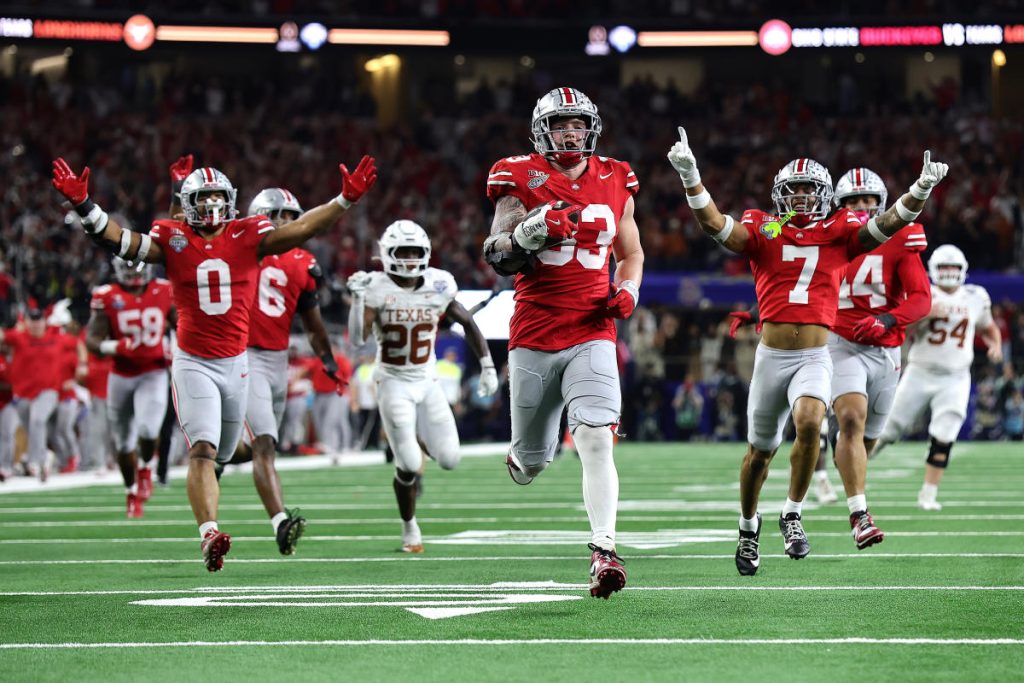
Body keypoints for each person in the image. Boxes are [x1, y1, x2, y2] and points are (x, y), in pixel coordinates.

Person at [51, 153, 376, 571]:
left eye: (217, 198)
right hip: (193, 362)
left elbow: (299, 229)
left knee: (225, 451)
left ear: (231, 200)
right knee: (203, 450)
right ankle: (209, 534)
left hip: (237, 363)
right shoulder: (173, 237)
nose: (210, 207)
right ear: (187, 204)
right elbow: (121, 240)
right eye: (202, 200)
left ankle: (245, 474)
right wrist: (84, 206)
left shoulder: (249, 233)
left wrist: (345, 200)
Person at [668, 127, 948, 575]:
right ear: (780, 195)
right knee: (759, 452)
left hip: (817, 355)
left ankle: (792, 514)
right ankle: (748, 525)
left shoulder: (840, 231)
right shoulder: (765, 226)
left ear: (822, 195)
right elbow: (716, 226)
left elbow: (887, 224)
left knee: (811, 423)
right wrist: (691, 178)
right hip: (771, 356)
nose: (800, 197)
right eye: (792, 190)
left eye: (807, 190)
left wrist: (919, 190)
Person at [481, 87, 643, 599]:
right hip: (533, 332)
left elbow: (631, 252)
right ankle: (523, 456)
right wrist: (530, 232)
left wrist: (629, 289)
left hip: (593, 328)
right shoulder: (518, 175)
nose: (571, 132)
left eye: (578, 123)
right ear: (541, 131)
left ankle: (604, 550)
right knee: (534, 460)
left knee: (596, 437)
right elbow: (497, 252)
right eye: (560, 124)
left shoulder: (617, 176)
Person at [348, 220, 498, 554]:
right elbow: (358, 339)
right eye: (404, 251)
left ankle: (413, 440)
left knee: (449, 459)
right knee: (411, 465)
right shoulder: (375, 287)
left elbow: (466, 322)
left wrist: (487, 364)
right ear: (388, 254)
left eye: (416, 251)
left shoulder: (438, 283)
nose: (411, 257)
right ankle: (409, 528)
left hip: (427, 380)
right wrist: (358, 303)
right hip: (393, 382)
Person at [826, 167, 932, 548]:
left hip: (886, 349)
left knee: (865, 440)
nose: (862, 207)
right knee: (852, 420)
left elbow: (921, 298)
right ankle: (860, 515)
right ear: (839, 206)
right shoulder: (830, 238)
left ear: (883, 203)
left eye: (869, 200)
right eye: (853, 201)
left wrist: (886, 318)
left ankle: (833, 457)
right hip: (839, 342)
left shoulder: (901, 237)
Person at [240, 187, 345, 554]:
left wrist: (328, 360)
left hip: (278, 359)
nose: (286, 224)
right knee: (265, 443)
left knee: (254, 447)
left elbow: (313, 322)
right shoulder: (244, 249)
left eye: (291, 217)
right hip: (243, 356)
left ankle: (211, 456)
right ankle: (281, 522)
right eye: (278, 216)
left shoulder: (302, 261)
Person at [872, 245, 1002, 510]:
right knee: (888, 430)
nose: (949, 273)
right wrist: (922, 315)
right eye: (944, 268)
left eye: (953, 268)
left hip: (956, 376)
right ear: (933, 270)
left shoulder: (976, 296)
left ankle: (928, 494)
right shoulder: (923, 294)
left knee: (945, 433)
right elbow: (902, 334)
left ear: (963, 270)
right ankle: (852, 467)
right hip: (920, 371)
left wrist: (995, 344)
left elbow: (989, 327)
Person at [86, 258, 173, 518]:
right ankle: (131, 491)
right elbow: (92, 340)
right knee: (123, 444)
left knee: (148, 429)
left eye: (138, 266)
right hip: (121, 374)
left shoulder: (164, 290)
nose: (134, 273)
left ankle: (146, 467)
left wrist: (177, 352)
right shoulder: (107, 296)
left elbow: (182, 325)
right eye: (128, 268)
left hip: (153, 372)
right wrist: (114, 347)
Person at [0, 307, 81, 481]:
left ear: (44, 321)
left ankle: (34, 463)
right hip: (22, 394)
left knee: (38, 420)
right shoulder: (19, 337)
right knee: (31, 428)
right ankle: (45, 456)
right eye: (32, 320)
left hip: (48, 391)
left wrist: (82, 366)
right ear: (27, 322)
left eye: (39, 320)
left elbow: (78, 343)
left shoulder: (56, 337)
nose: (36, 324)